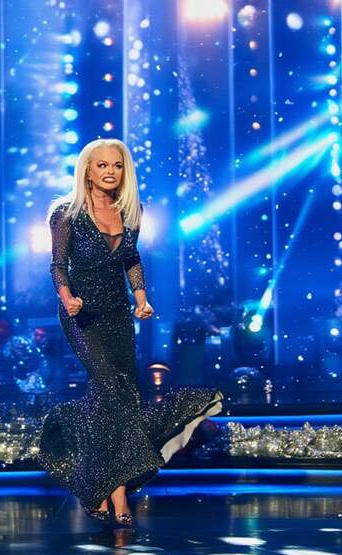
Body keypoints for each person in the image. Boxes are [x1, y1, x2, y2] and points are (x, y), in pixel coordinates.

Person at [39, 138, 223, 527]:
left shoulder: (131, 211)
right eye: (102, 165)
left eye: (117, 166)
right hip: (81, 315)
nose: (110, 172)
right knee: (110, 387)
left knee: (121, 396)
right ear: (88, 170)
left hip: (118, 314)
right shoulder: (66, 214)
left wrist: (141, 297)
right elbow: (57, 265)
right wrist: (68, 297)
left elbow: (131, 258)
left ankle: (106, 485)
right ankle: (114, 491)